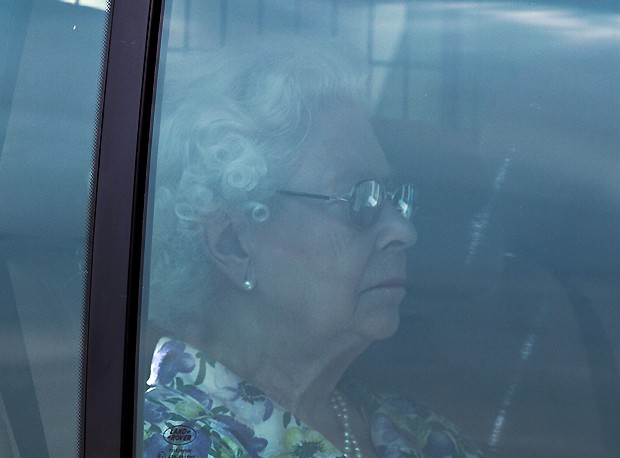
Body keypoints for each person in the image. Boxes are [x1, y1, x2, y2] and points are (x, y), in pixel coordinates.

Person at [143, 42, 482, 458]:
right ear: (232, 243)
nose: (403, 230)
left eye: (394, 197)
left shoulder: (417, 432)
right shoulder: (173, 442)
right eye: (359, 199)